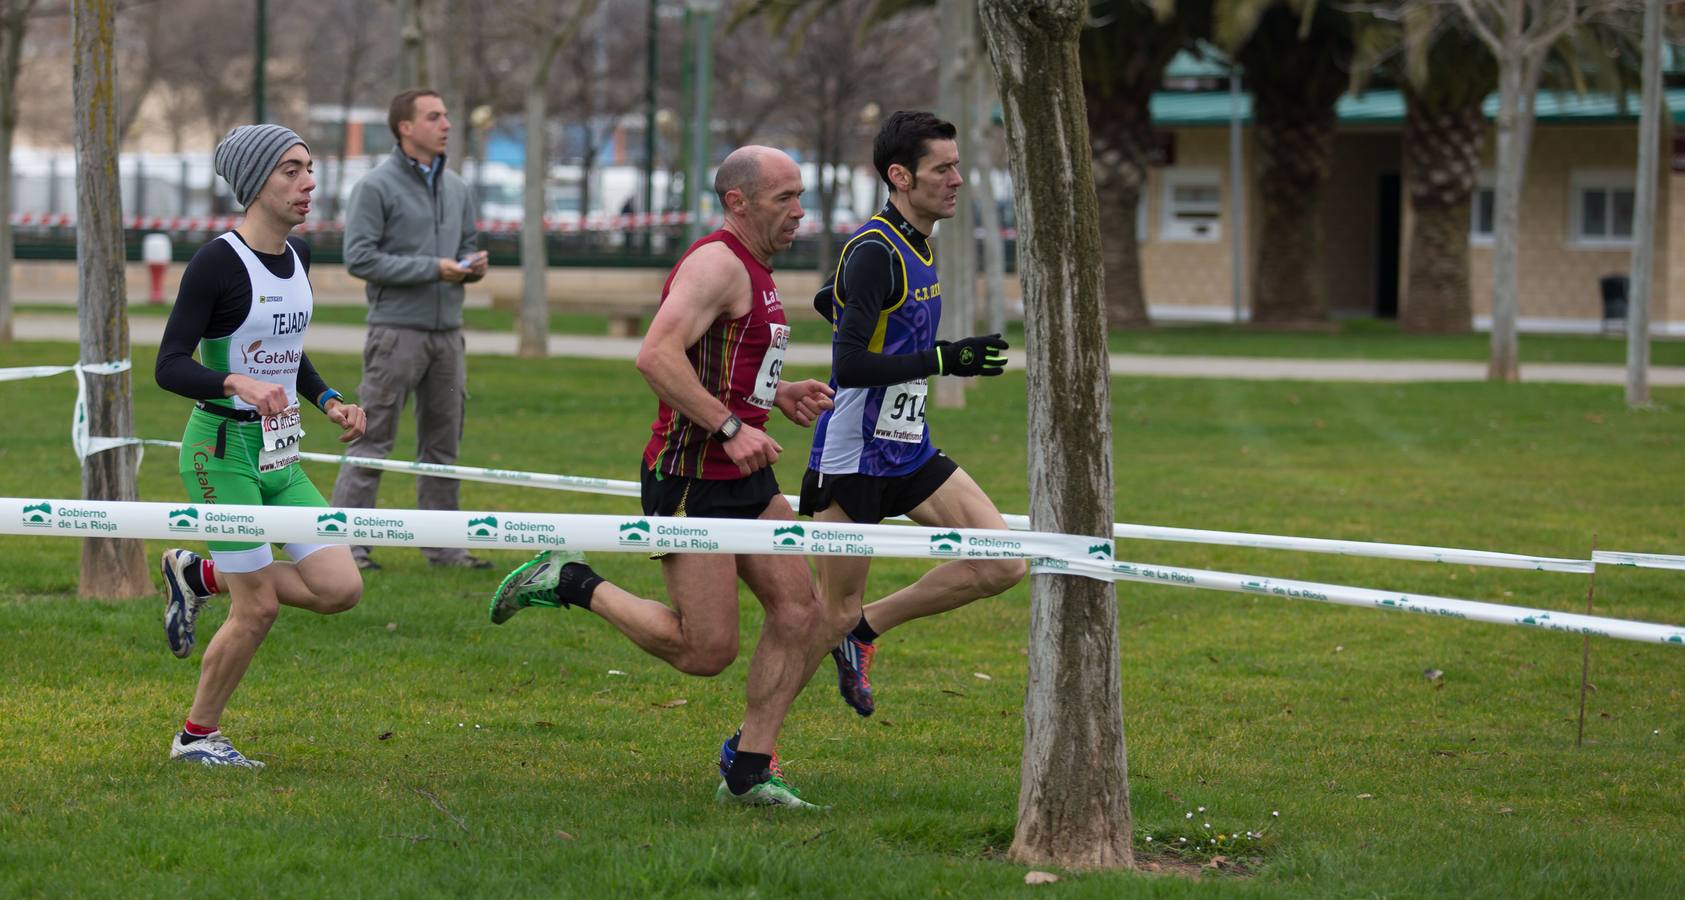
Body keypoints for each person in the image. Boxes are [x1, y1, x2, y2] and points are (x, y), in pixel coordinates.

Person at [487, 146, 836, 809]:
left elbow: (719, 361)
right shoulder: (715, 263)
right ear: (739, 202)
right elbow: (655, 355)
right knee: (703, 651)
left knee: (800, 614)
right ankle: (569, 581)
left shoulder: (755, 267)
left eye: (800, 197)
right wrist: (729, 428)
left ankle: (748, 769)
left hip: (746, 477)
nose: (800, 212)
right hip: (689, 477)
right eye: (785, 198)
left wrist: (776, 395)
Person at [155, 124, 368, 768]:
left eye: (309, 168)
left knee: (339, 588)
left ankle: (199, 573)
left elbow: (286, 354)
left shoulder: (298, 258)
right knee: (259, 608)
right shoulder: (217, 262)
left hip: (280, 455)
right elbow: (169, 365)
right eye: (290, 170)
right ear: (255, 184)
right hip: (218, 454)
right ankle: (196, 738)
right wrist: (233, 381)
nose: (308, 183)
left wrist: (328, 399)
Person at [802, 110, 1024, 718]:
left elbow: (831, 298)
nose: (956, 180)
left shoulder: (917, 242)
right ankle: (750, 748)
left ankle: (866, 632)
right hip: (853, 460)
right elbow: (848, 365)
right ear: (900, 176)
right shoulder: (875, 250)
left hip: (907, 446)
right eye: (943, 169)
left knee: (1002, 562)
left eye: (958, 167)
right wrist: (943, 359)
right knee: (828, 615)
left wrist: (868, 320)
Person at [332, 89, 490, 571]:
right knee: (372, 439)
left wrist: (472, 267)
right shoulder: (375, 187)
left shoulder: (459, 188)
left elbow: (465, 245)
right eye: (434, 116)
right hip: (396, 333)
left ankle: (444, 548)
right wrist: (431, 268)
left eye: (446, 115)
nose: (446, 124)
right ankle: (347, 548)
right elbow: (359, 257)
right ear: (406, 127)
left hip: (448, 334)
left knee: (444, 446)